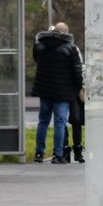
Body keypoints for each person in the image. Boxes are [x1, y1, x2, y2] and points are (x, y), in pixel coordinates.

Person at [32, 22, 83, 164]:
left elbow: (37, 61)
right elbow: (77, 71)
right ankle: (58, 154)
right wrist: (79, 87)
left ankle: (39, 153)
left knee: (43, 121)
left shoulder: (39, 46)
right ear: (66, 33)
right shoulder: (70, 49)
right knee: (60, 122)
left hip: (44, 90)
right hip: (63, 91)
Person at [62, 37, 86, 164]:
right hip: (60, 90)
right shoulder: (54, 49)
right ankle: (65, 148)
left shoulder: (73, 49)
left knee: (76, 119)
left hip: (73, 90)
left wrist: (80, 89)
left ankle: (77, 148)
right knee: (61, 120)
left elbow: (79, 69)